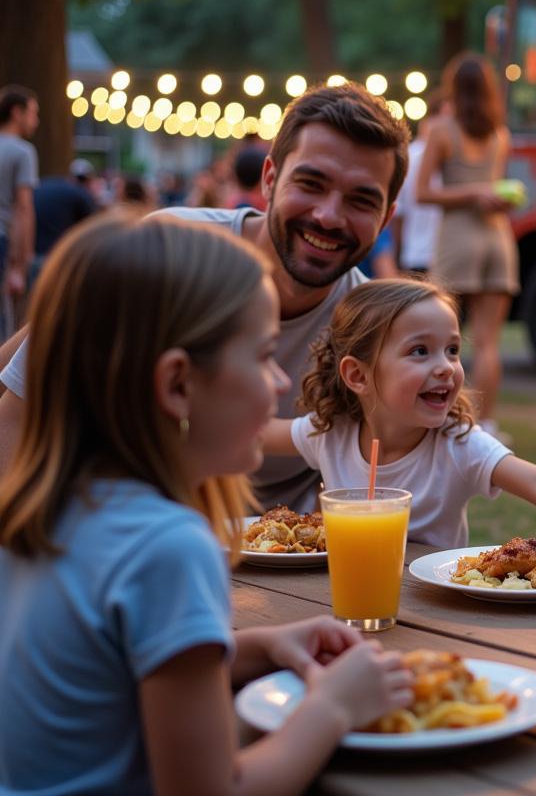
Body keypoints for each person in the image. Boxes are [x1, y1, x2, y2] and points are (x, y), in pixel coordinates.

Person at [0, 211, 412, 796]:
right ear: (176, 384)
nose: (282, 385)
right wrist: (333, 706)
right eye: (262, 355)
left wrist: (261, 645)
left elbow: (109, 674)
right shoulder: (166, 546)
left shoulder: (43, 510)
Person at [0, 81, 410, 513]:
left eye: (361, 200)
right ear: (269, 180)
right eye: (310, 184)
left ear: (387, 217)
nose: (328, 216)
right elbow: (20, 412)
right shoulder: (167, 246)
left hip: (282, 562)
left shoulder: (373, 328)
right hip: (117, 531)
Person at [262, 276, 536, 548]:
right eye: (420, 351)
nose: (446, 367)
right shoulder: (330, 433)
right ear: (358, 375)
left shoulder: (459, 444)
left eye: (451, 350)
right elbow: (258, 434)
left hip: (436, 613)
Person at [416, 53, 518, 442]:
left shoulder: (442, 130)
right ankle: (486, 424)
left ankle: (445, 419)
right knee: (489, 341)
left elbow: (424, 192)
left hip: (458, 238)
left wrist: (471, 191)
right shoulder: (500, 134)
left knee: (440, 334)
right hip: (498, 238)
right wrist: (486, 192)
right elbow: (497, 187)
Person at [0, 85, 40, 339]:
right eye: (33, 113)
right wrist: (20, 264)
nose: (36, 122)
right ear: (17, 112)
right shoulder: (23, 151)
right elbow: (23, 207)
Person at [392, 92, 443, 274]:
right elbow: (397, 214)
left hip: (422, 255)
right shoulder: (412, 157)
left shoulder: (410, 156)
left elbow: (398, 214)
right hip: (420, 256)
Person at [28, 158, 98, 288]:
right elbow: (94, 229)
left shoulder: (48, 184)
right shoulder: (81, 194)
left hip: (31, 254)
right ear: (89, 181)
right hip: (54, 258)